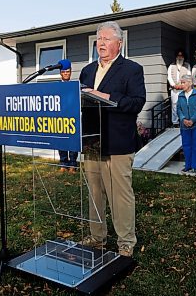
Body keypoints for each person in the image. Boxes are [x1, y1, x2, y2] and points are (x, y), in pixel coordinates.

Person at [79, 21, 146, 257]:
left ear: (119, 43)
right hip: (92, 141)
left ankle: (125, 241)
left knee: (120, 194)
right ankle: (97, 237)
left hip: (118, 142)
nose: (101, 43)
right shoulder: (87, 71)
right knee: (95, 193)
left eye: (107, 39)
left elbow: (137, 102)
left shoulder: (132, 69)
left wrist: (104, 95)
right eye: (99, 39)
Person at [177, 74, 196, 173]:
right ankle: (188, 166)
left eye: (184, 82)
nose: (182, 84)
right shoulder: (180, 95)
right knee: (186, 146)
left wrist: (192, 120)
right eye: (181, 82)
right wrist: (183, 119)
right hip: (184, 125)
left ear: (190, 83)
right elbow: (178, 109)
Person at [57, 59, 79, 173]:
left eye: (68, 71)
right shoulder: (56, 87)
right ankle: (63, 163)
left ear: (71, 72)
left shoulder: (75, 86)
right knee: (61, 142)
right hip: (60, 117)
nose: (66, 73)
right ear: (60, 73)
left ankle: (73, 165)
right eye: (64, 72)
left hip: (72, 117)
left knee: (73, 142)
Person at [168, 49, 191, 126]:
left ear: (184, 57)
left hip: (184, 89)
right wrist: (174, 85)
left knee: (184, 104)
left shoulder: (187, 65)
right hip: (174, 89)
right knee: (174, 105)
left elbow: (188, 76)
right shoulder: (171, 66)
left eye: (181, 56)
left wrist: (182, 86)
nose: (179, 57)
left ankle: (183, 120)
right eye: (178, 55)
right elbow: (169, 77)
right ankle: (175, 122)